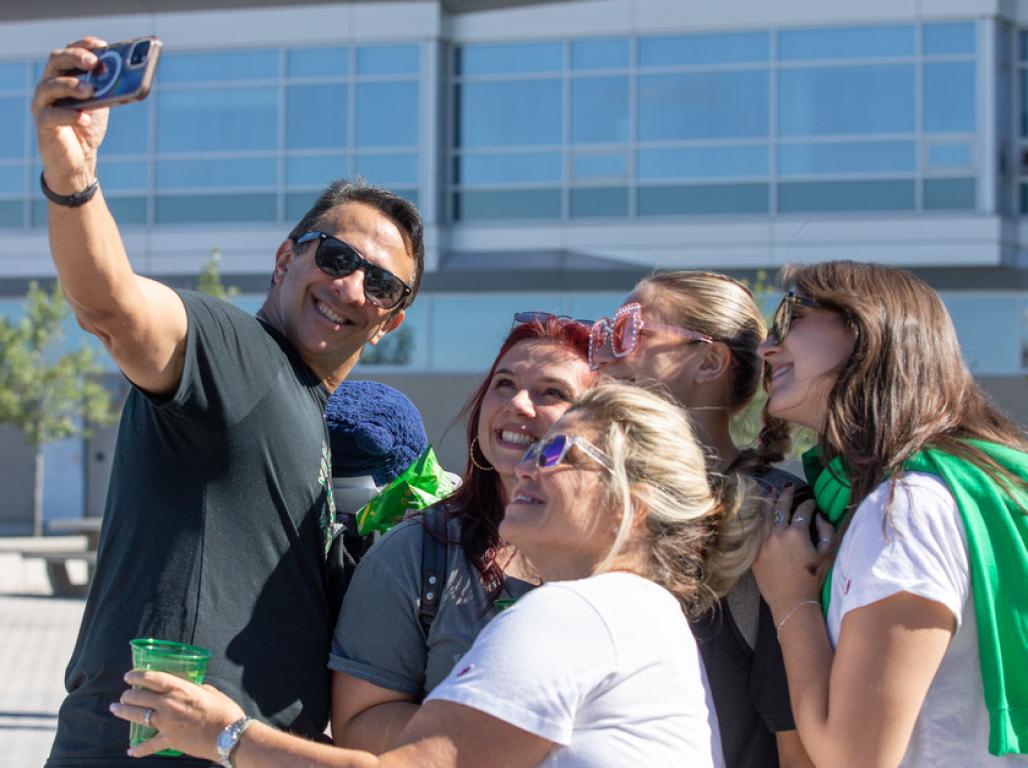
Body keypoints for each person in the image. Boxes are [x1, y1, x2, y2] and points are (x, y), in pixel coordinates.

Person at [33, 37, 423, 767]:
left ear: (392, 319)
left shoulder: (317, 422)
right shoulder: (236, 354)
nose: (350, 288)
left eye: (381, 284)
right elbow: (113, 307)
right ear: (286, 260)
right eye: (335, 258)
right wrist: (73, 176)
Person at [112, 381, 770, 766]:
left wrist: (225, 735)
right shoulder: (644, 612)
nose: (528, 466)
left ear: (634, 501)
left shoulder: (577, 613)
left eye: (560, 449)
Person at [752, 260, 1028, 767]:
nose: (768, 348)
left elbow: (857, 759)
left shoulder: (906, 509)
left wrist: (791, 600)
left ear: (865, 329)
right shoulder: (969, 484)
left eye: (791, 316)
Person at [328, 313, 595, 752]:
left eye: (552, 392)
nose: (518, 404)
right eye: (504, 384)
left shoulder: (635, 557)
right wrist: (507, 746)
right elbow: (359, 722)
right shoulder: (415, 551)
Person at [589, 271, 811, 768]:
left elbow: (798, 743)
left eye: (630, 331)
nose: (602, 354)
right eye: (604, 332)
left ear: (709, 360)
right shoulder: (595, 500)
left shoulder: (771, 514)